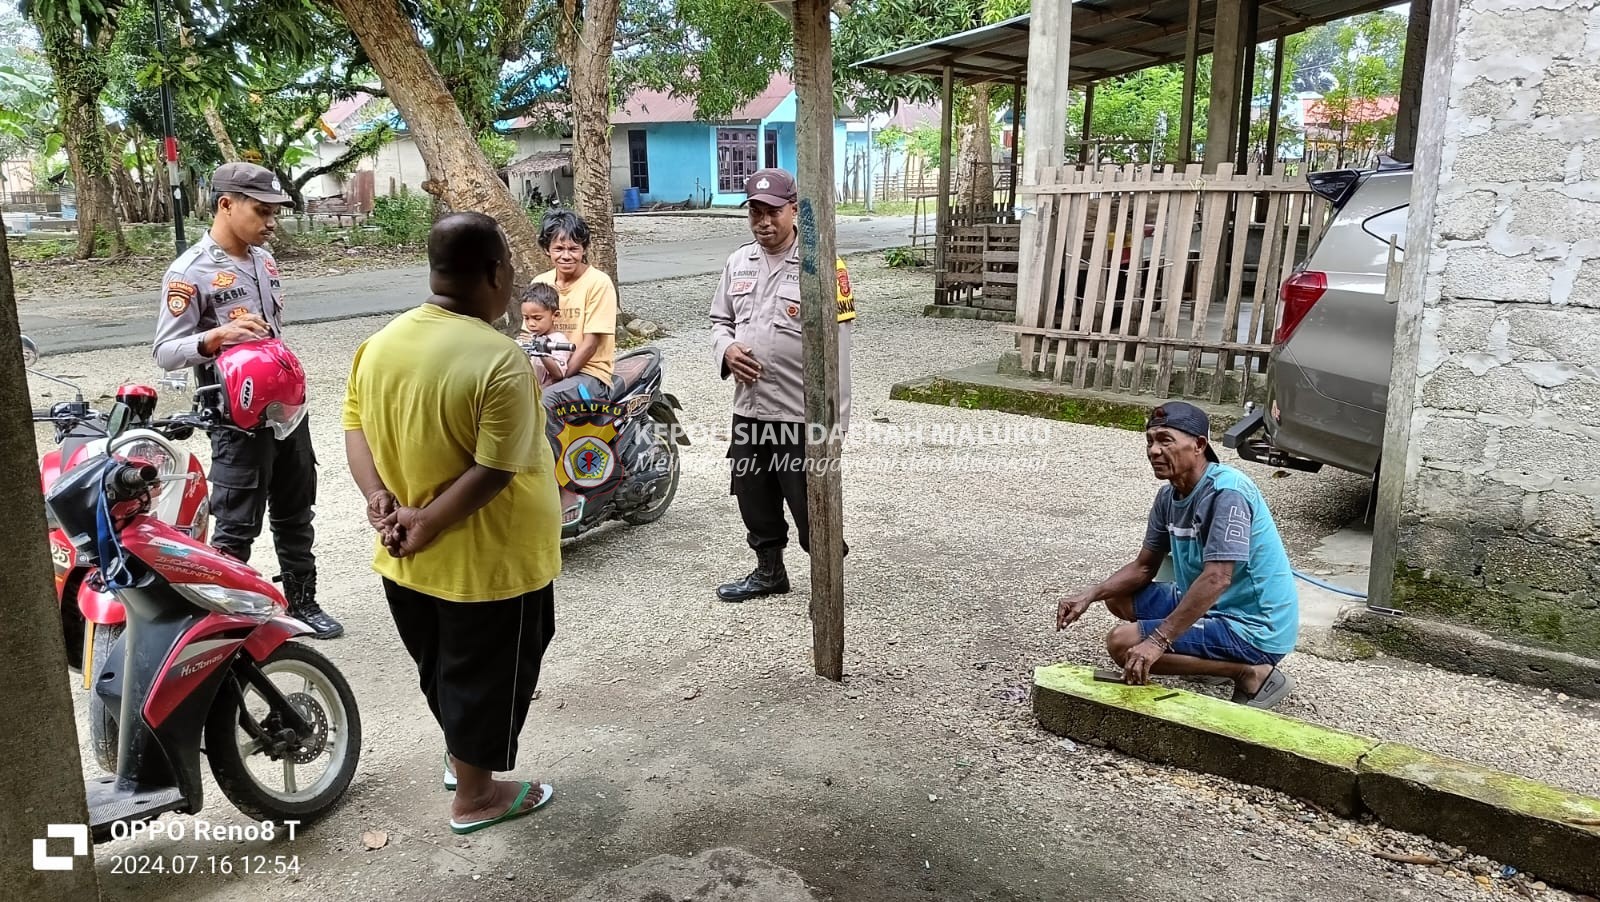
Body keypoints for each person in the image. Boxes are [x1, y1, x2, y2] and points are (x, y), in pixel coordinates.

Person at [342, 212, 562, 835]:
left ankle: (461, 757)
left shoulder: (381, 344)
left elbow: (355, 427)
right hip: (490, 565)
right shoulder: (499, 360)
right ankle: (477, 795)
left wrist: (378, 496)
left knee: (443, 666)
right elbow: (495, 469)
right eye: (511, 271)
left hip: (405, 557)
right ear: (494, 273)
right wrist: (432, 522)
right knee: (490, 674)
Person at [152, 161, 342, 639]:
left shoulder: (264, 260)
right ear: (226, 205)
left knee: (296, 511)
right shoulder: (190, 270)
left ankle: (303, 603)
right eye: (262, 211)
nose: (271, 222)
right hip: (236, 419)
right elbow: (164, 352)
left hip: (286, 411)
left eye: (275, 212)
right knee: (236, 525)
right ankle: (223, 622)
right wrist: (218, 335)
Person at [1054, 402, 1300, 709]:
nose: (1153, 451)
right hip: (1210, 607)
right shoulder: (1168, 495)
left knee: (1122, 644)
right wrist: (1091, 594)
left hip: (1254, 626)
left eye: (1165, 440)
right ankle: (1204, 655)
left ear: (1199, 445)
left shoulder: (1227, 492)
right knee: (1117, 596)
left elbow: (1218, 578)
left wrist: (1157, 641)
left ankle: (1250, 671)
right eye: (1150, 441)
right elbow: (1144, 567)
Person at [708, 168, 856, 603]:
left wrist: (835, 427)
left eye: (773, 211)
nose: (764, 222)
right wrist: (727, 350)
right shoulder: (739, 262)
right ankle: (769, 572)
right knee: (752, 492)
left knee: (809, 499)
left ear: (794, 210)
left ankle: (827, 576)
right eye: (755, 212)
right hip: (750, 409)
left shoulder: (824, 265)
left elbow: (839, 353)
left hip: (799, 413)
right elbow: (719, 321)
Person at [531, 210, 617, 409]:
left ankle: (546, 442)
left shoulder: (598, 283)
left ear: (584, 249)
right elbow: (529, 336)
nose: (566, 256)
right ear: (547, 249)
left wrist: (559, 377)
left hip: (588, 373)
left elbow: (590, 345)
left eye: (573, 249)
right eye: (559, 248)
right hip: (547, 370)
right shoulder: (540, 282)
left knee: (545, 402)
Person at [515, 283, 571, 388]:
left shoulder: (558, 340)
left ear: (555, 315)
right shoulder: (528, 338)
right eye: (526, 318)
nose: (531, 324)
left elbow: (558, 374)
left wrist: (540, 351)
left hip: (544, 394)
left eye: (537, 318)